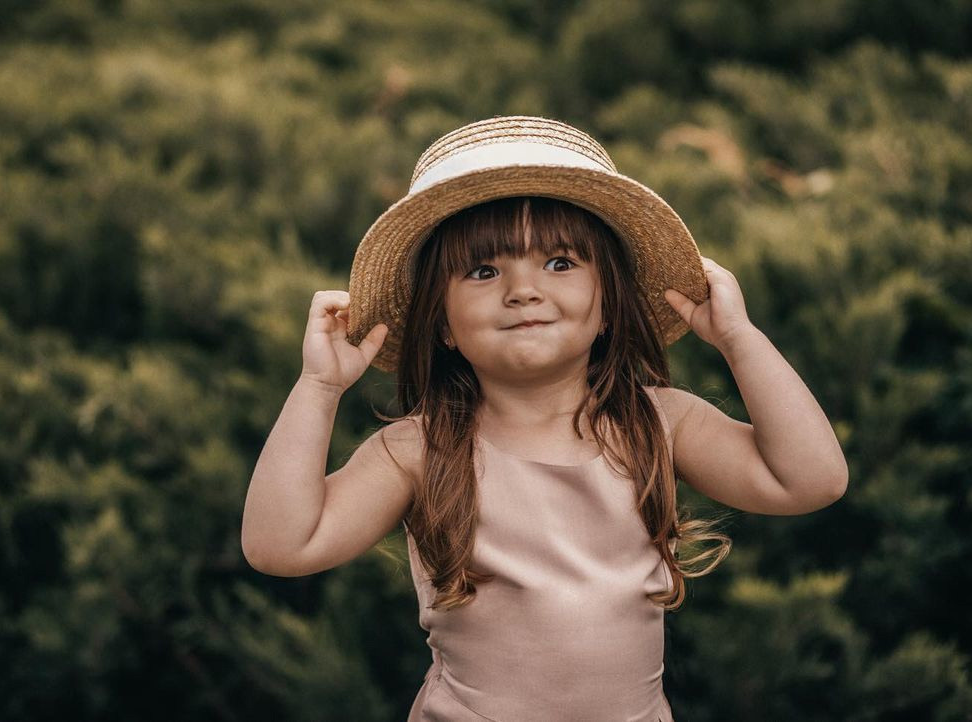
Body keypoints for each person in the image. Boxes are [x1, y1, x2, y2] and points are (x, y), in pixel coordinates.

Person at [241, 116, 849, 721]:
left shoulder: (659, 424)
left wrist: (739, 339)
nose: (522, 290)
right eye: (484, 271)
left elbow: (809, 480)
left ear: (609, 303)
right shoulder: (418, 450)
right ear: (442, 325)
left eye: (559, 263)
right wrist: (319, 387)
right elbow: (281, 546)